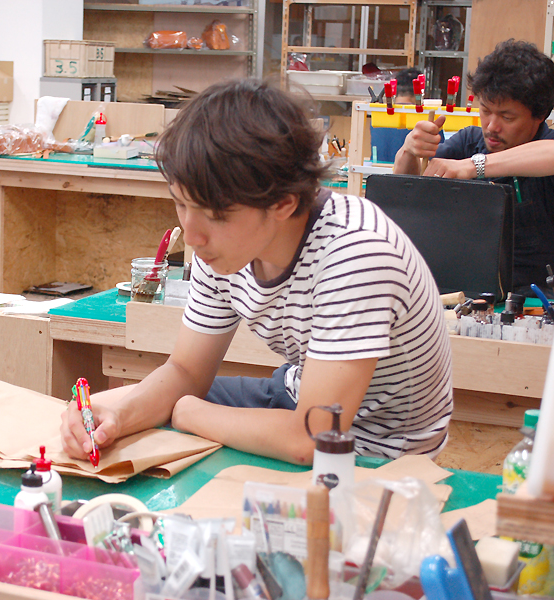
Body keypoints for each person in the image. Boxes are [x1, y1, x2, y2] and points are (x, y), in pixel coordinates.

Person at [61, 79, 453, 465]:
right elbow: (186, 370)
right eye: (181, 203)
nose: (192, 236)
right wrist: (119, 417)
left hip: (377, 449)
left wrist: (187, 412)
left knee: (177, 410)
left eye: (216, 214)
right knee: (105, 406)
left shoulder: (355, 253)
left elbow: (312, 439)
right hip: (297, 394)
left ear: (283, 202)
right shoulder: (221, 245)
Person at [393, 39, 554, 295]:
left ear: (540, 115)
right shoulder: (469, 142)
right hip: (468, 294)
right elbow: (406, 191)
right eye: (486, 111)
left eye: (507, 117)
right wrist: (410, 150)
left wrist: (474, 166)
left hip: (538, 299)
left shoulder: (546, 147)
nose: (491, 126)